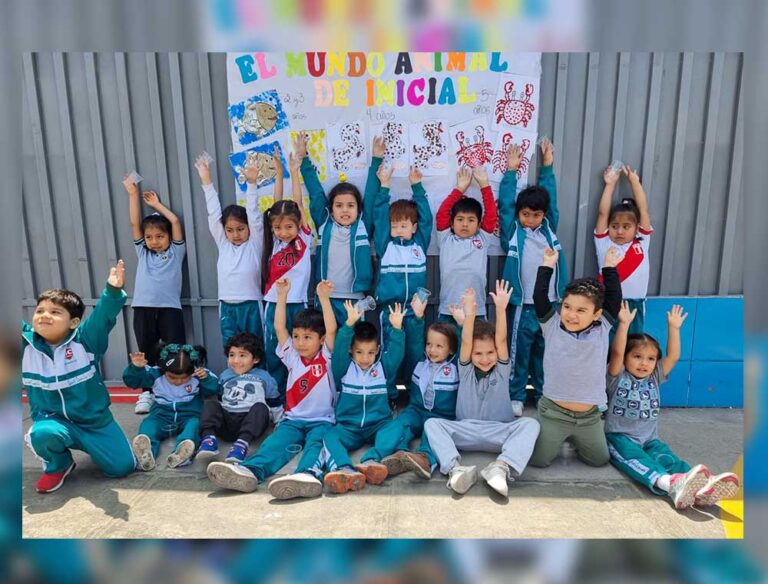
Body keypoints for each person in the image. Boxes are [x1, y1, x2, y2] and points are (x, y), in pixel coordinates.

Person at [206, 280, 338, 500]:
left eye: (307, 337)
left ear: (321, 339)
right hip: (292, 420)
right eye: (296, 336)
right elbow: (279, 327)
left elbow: (332, 328)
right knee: (274, 445)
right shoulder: (292, 357)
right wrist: (281, 295)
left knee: (316, 446)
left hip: (323, 420)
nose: (300, 342)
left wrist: (324, 298)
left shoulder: (326, 356)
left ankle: (306, 476)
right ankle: (250, 471)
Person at [606, 302, 741, 509]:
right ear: (626, 359)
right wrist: (624, 325)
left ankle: (703, 487)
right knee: (640, 461)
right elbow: (616, 353)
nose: (644, 363)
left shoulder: (655, 376)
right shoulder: (616, 376)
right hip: (620, 437)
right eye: (637, 357)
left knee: (668, 459)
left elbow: (673, 356)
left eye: (651, 359)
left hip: (650, 438)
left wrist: (674, 329)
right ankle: (670, 485)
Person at [23, 260, 135, 493]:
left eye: (55, 312)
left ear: (74, 322)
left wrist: (112, 291)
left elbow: (103, 316)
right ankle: (59, 464)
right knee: (42, 433)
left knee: (122, 468)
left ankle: (96, 446)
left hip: (95, 423)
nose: (44, 316)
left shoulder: (85, 341)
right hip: (54, 422)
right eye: (40, 311)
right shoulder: (24, 346)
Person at [423, 281, 541, 497]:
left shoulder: (502, 370)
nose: (485, 359)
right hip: (466, 430)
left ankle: (499, 467)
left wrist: (501, 308)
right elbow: (467, 341)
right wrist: (470, 314)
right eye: (479, 354)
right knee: (432, 424)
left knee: (531, 424)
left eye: (490, 353)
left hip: (499, 431)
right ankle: (456, 470)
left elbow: (502, 339)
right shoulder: (466, 370)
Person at [528, 247, 623, 468]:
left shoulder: (602, 328)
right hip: (554, 413)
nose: (571, 314)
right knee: (538, 461)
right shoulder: (551, 326)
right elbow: (539, 296)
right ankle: (548, 433)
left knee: (599, 460)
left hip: (588, 417)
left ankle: (575, 439)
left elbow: (614, 300)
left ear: (596, 314)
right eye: (568, 307)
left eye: (581, 311)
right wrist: (547, 266)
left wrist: (609, 267)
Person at [498, 139, 565, 417]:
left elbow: (551, 198)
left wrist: (547, 165)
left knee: (544, 353)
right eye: (525, 214)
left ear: (544, 215)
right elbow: (505, 205)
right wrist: (511, 171)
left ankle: (542, 394)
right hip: (522, 304)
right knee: (520, 352)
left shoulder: (550, 228)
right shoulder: (514, 232)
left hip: (549, 305)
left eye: (535, 215)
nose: (530, 220)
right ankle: (515, 394)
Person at [321, 300, 407, 494]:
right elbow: (341, 345)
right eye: (359, 352)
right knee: (329, 436)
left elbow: (396, 352)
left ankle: (370, 460)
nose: (365, 358)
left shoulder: (383, 367)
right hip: (348, 427)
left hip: (378, 425)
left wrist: (397, 329)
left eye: (370, 352)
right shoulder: (343, 367)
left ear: (377, 350)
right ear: (351, 350)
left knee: (397, 427)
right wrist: (349, 324)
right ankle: (344, 469)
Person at [372, 294, 459, 480]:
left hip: (441, 417)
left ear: (451, 350)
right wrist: (418, 318)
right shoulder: (421, 361)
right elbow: (415, 342)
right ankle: (381, 457)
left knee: (432, 435)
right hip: (416, 410)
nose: (432, 350)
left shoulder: (456, 366)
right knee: (397, 426)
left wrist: (461, 325)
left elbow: (464, 346)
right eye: (429, 344)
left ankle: (425, 459)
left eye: (439, 346)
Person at [368, 145, 433, 391]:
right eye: (395, 226)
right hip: (391, 310)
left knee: (416, 351)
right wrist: (384, 185)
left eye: (404, 225)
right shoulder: (386, 245)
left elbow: (426, 217)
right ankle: (389, 391)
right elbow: (379, 218)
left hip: (415, 310)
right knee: (391, 353)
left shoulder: (420, 243)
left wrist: (417, 187)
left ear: (414, 227)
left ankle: (415, 391)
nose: (398, 230)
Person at [123, 176, 186, 415]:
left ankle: (174, 389)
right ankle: (147, 393)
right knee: (146, 351)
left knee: (175, 351)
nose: (154, 241)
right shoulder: (143, 253)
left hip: (170, 309)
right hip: (143, 308)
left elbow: (175, 221)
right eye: (149, 237)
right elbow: (134, 225)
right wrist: (132, 195)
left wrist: (157, 206)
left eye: (160, 236)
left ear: (169, 237)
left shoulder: (177, 251)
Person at [298, 130, 374, 326]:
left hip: (355, 298)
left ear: (359, 208)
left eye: (351, 205)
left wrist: (377, 159)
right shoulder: (325, 223)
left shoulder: (363, 226)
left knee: (352, 344)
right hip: (326, 297)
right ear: (331, 209)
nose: (345, 210)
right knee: (328, 345)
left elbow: (372, 195)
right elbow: (316, 193)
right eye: (339, 206)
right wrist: (304, 159)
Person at [196, 153, 264, 349]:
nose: (235, 234)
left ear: (249, 228)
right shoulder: (223, 243)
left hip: (251, 305)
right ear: (223, 230)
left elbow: (253, 213)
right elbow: (214, 213)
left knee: (254, 347)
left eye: (241, 229)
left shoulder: (254, 244)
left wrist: (252, 183)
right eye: (230, 230)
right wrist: (206, 180)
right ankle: (233, 380)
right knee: (231, 348)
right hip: (226, 305)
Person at [261, 151, 314, 396]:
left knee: (300, 351)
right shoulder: (273, 242)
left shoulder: (304, 237)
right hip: (274, 304)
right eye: (278, 227)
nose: (283, 232)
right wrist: (278, 174)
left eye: (289, 226)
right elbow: (275, 204)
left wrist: (293, 172)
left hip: (298, 305)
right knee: (275, 351)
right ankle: (277, 396)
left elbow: (298, 204)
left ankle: (297, 394)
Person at [124, 343, 218, 470]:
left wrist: (206, 380)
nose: (178, 381)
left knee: (194, 426)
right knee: (148, 425)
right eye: (172, 377)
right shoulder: (154, 374)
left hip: (189, 416)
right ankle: (146, 454)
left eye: (184, 378)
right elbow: (132, 382)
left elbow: (214, 389)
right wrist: (136, 368)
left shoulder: (199, 374)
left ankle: (182, 454)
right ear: (163, 369)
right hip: (161, 416)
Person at [196, 332, 280, 463]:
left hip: (250, 422)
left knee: (261, 408)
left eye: (242, 355)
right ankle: (209, 440)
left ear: (256, 359)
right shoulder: (225, 375)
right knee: (211, 404)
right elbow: (220, 398)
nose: (235, 360)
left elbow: (274, 402)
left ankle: (241, 446)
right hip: (227, 421)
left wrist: (279, 423)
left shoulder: (264, 377)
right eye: (231, 355)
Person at [434, 166, 499, 326]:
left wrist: (484, 184)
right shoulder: (446, 238)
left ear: (478, 225)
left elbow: (491, 214)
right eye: (460, 219)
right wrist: (459, 189)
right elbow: (442, 213)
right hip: (448, 311)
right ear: (452, 222)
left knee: (475, 350)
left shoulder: (482, 239)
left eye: (471, 220)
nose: (465, 224)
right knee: (448, 350)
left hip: (475, 312)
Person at [594, 163, 652, 335]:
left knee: (633, 346)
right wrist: (610, 184)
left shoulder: (642, 241)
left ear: (636, 229)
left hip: (635, 304)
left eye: (626, 227)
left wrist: (635, 182)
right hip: (609, 302)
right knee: (609, 347)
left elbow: (643, 209)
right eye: (615, 226)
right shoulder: (604, 242)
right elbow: (603, 213)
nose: (619, 231)